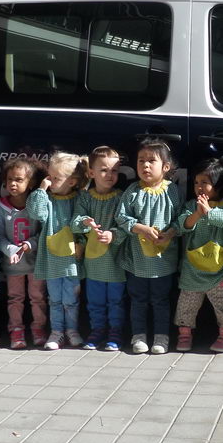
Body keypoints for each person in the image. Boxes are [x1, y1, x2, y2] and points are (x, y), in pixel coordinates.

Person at [116, 140, 181, 355]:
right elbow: (121, 217)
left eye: (151, 161)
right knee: (138, 299)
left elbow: (181, 219)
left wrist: (171, 232)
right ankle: (139, 335)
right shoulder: (133, 191)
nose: (145, 166)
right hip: (137, 261)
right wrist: (140, 228)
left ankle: (162, 337)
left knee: (161, 300)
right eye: (141, 161)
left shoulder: (173, 191)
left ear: (166, 167)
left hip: (163, 260)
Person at [174, 157, 223, 353]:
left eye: (205, 182)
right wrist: (197, 214)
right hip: (192, 269)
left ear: (218, 185)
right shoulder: (190, 206)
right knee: (187, 304)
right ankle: (184, 334)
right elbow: (181, 226)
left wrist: (210, 212)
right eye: (196, 182)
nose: (199, 187)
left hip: (219, 269)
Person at [28, 152, 87, 351]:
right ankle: (56, 331)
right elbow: (36, 213)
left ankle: (72, 330)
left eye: (56, 178)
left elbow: (84, 225)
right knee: (54, 299)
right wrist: (41, 191)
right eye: (49, 176)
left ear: (72, 182)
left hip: (72, 260)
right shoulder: (47, 199)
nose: (50, 181)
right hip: (52, 260)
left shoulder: (79, 199)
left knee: (71, 299)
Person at [72, 147, 128, 351]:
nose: (110, 175)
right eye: (104, 170)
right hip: (93, 261)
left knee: (116, 300)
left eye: (114, 171)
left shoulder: (121, 197)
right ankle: (97, 330)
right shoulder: (85, 198)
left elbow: (126, 225)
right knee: (95, 300)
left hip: (115, 261)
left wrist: (113, 234)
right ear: (91, 173)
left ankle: (115, 332)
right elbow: (75, 222)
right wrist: (84, 222)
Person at [0, 158, 47, 349]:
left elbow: (43, 231)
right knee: (15, 298)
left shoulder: (36, 205)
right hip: (13, 264)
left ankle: (38, 328)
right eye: (10, 179)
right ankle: (16, 330)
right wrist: (9, 249)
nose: (13, 184)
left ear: (31, 183)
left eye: (18, 180)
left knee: (38, 297)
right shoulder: (2, 207)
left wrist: (29, 244)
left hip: (35, 263)